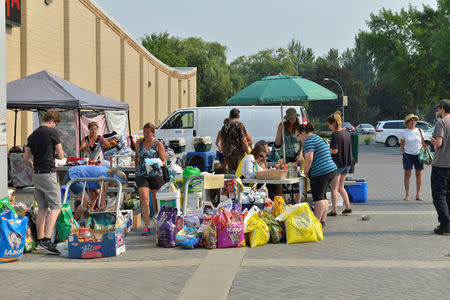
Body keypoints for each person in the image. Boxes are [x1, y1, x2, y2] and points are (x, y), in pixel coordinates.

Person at [23, 109, 64, 254]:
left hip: (37, 174)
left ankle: (40, 240)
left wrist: (34, 165)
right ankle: (47, 240)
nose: (55, 126)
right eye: (56, 124)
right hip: (48, 173)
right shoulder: (52, 132)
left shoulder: (32, 135)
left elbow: (25, 159)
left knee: (42, 208)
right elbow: (61, 154)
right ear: (52, 121)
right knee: (56, 207)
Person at [296, 123, 337, 227]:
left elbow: (309, 158)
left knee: (318, 199)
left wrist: (305, 172)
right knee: (323, 197)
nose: (298, 138)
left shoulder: (308, 141)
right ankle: (322, 221)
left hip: (321, 172)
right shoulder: (317, 137)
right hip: (330, 170)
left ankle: (314, 224)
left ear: (303, 133)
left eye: (298, 135)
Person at [135, 122, 167, 236]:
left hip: (155, 174)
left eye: (148, 132)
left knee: (156, 198)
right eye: (144, 132)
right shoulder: (139, 142)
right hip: (141, 173)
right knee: (144, 198)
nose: (146, 134)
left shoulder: (158, 144)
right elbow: (136, 157)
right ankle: (147, 226)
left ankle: (159, 221)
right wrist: (136, 170)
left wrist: (157, 163)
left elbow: (164, 161)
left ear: (153, 132)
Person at [430, 99, 450, 235]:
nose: (438, 111)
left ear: (443, 109)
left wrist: (432, 141)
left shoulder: (441, 122)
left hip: (441, 165)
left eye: (439, 109)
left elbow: (439, 143)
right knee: (449, 196)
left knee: (439, 196)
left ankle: (445, 224)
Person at [326, 112, 352, 216]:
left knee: (334, 188)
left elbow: (334, 151)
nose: (329, 127)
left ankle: (334, 210)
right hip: (347, 163)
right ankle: (348, 207)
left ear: (333, 123)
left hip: (337, 164)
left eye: (329, 125)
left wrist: (327, 147)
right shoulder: (346, 132)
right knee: (341, 187)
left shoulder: (335, 134)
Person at [220, 108, 252, 173]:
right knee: (240, 173)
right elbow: (244, 141)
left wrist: (224, 155)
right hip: (238, 153)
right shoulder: (239, 125)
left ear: (230, 116)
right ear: (238, 116)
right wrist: (248, 154)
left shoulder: (224, 126)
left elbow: (222, 143)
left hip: (228, 154)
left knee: (232, 175)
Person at [400, 114, 424, 201]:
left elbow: (422, 143)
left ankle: (418, 194)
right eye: (411, 120)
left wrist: (422, 151)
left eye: (414, 120)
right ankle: (407, 194)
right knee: (407, 175)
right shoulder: (404, 132)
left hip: (418, 155)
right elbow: (402, 145)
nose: (413, 122)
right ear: (407, 122)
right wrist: (404, 153)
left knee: (419, 175)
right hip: (408, 155)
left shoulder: (420, 130)